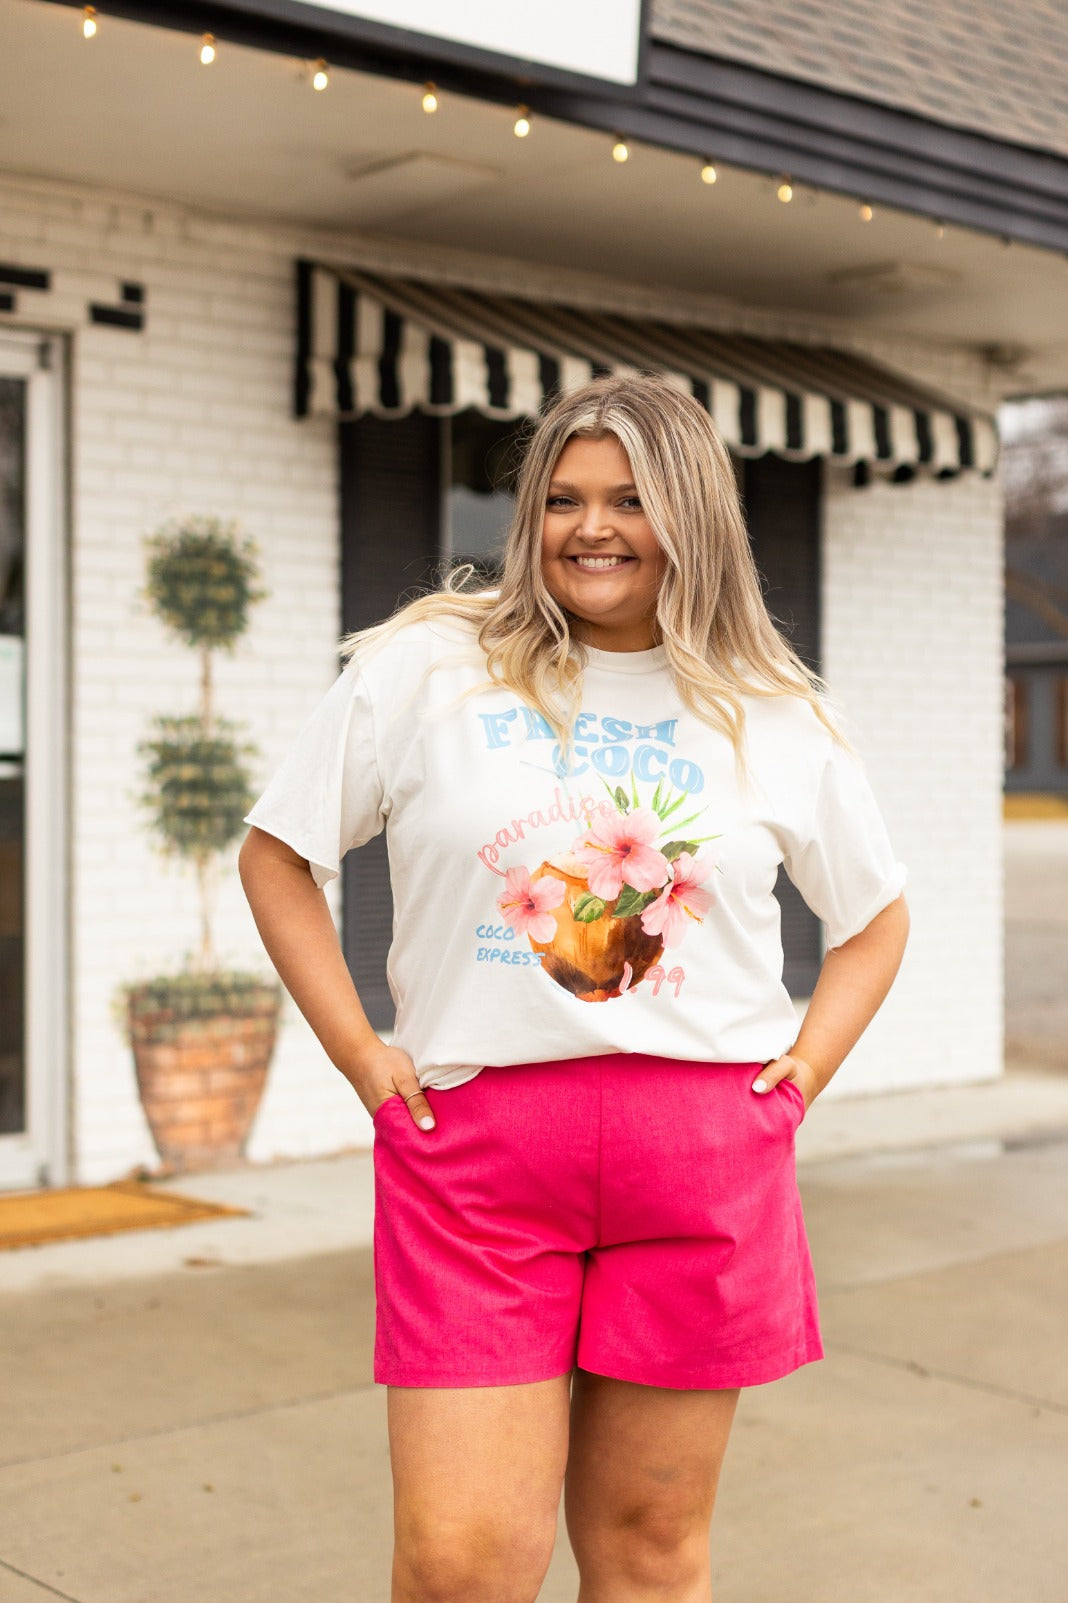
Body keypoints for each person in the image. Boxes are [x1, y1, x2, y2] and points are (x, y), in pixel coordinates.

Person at [238, 371, 910, 1603]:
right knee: (462, 1565)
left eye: (629, 498)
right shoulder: (430, 668)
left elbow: (875, 918)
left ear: (692, 516)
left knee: (652, 1552)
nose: (590, 527)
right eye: (560, 499)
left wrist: (799, 1078)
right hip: (477, 1159)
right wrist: (361, 1054)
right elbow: (277, 854)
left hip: (702, 1160)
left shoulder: (775, 707)